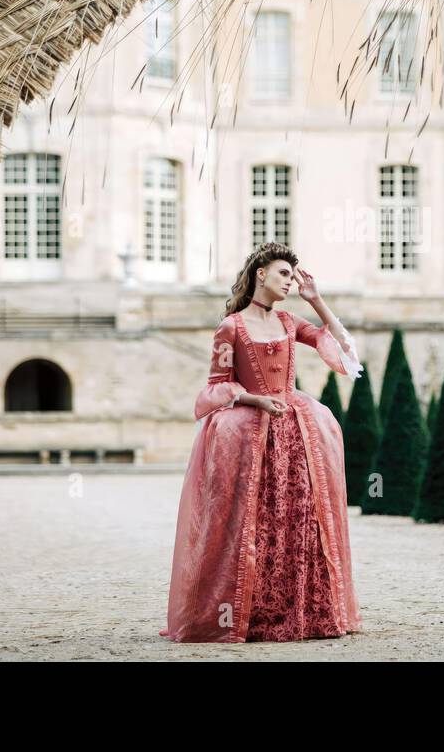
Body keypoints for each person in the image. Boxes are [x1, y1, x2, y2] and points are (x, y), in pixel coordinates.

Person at [160, 242, 364, 642]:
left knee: (300, 516)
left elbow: (343, 351)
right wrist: (254, 399)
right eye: (284, 273)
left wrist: (318, 302)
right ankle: (248, 615)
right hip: (249, 430)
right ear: (261, 274)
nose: (290, 281)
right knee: (252, 520)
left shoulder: (290, 322)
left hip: (296, 428)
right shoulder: (231, 326)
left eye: (293, 275)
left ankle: (305, 613)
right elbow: (216, 387)